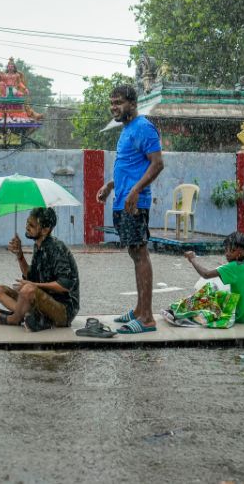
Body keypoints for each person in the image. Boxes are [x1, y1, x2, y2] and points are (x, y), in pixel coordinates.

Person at [97, 84, 164, 334]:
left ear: (133, 104)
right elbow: (130, 166)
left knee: (140, 252)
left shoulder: (144, 127)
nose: (114, 107)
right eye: (112, 103)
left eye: (119, 102)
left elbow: (157, 164)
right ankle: (138, 309)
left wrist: (135, 191)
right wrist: (111, 185)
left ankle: (147, 318)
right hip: (123, 201)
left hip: (136, 203)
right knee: (135, 254)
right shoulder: (126, 130)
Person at [0, 207, 79, 331]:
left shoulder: (57, 248)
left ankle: (13, 319)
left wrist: (33, 285)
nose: (26, 227)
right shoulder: (38, 246)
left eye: (32, 225)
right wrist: (20, 255)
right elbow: (30, 275)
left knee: (28, 289)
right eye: (27, 223)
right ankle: (32, 316)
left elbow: (64, 285)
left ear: (45, 230)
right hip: (41, 303)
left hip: (63, 310)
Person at [182, 232, 244, 325]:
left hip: (242, 317)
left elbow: (206, 274)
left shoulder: (233, 266)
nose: (227, 253)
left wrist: (192, 259)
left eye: (232, 250)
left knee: (212, 294)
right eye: (226, 250)